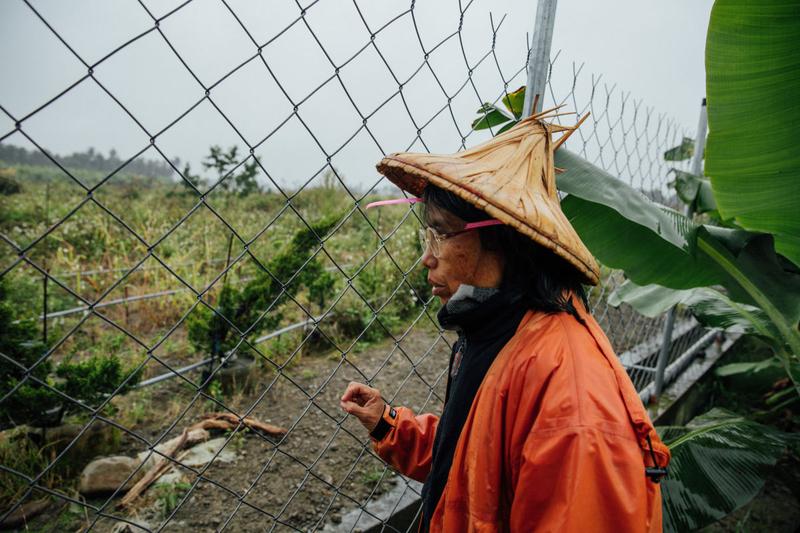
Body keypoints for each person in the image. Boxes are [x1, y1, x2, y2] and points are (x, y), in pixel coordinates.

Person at [339, 110, 670, 532]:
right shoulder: (503, 329)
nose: (427, 257)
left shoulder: (569, 401)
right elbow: (477, 459)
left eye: (440, 234)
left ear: (501, 240)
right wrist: (391, 425)